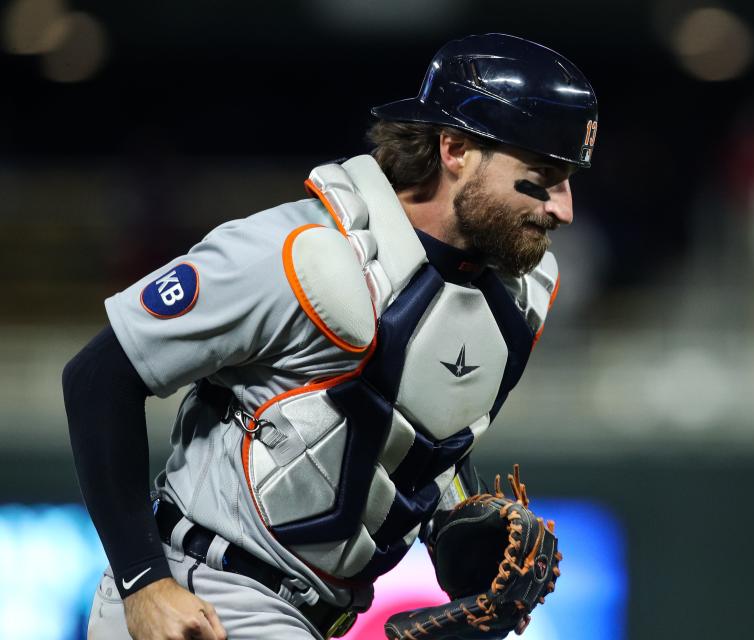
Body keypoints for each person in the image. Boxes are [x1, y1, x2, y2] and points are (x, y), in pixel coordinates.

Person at [63, 32, 598, 640]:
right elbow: (97, 375)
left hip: (309, 616)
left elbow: (399, 432)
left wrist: (458, 525)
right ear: (455, 149)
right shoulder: (302, 254)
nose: (564, 208)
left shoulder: (504, 304)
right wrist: (144, 583)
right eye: (544, 175)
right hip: (204, 598)